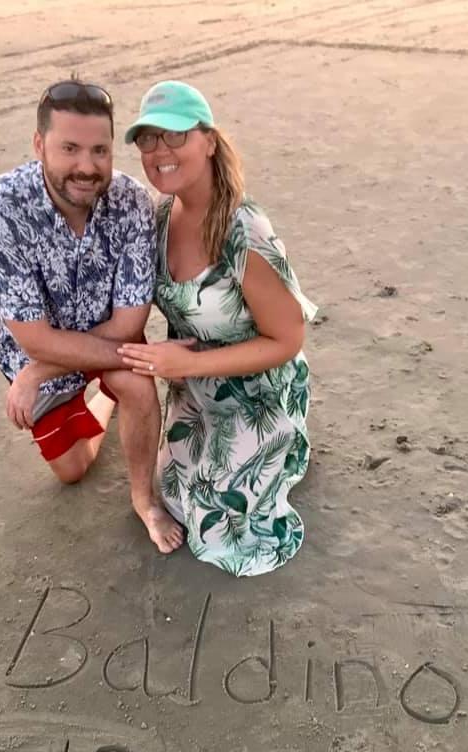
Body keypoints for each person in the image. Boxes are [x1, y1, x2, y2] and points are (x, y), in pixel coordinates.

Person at [0, 79, 184, 554]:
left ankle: (144, 500)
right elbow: (34, 339)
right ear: (39, 144)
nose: (87, 167)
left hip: (107, 343)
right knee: (73, 471)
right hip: (45, 351)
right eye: (70, 148)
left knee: (137, 387)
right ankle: (102, 400)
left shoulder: (131, 202)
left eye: (99, 150)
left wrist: (38, 372)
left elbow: (129, 324)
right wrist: (38, 363)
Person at [118, 81, 317, 577]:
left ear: (208, 140)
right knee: (174, 494)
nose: (160, 151)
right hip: (195, 390)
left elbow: (288, 339)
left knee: (220, 532)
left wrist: (188, 363)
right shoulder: (161, 217)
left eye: (175, 136)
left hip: (258, 392)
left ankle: (286, 442)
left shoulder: (242, 231)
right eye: (148, 139)